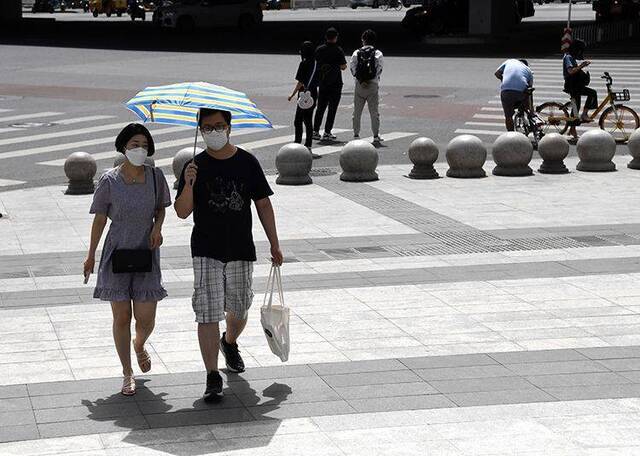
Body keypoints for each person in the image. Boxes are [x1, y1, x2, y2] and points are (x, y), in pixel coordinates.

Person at [174, 108, 283, 403]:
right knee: (207, 311)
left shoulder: (247, 162)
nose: (214, 132)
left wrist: (274, 243)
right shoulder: (193, 165)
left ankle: (229, 341)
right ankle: (212, 374)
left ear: (230, 128)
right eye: (207, 128)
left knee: (239, 307)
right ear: (200, 130)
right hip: (206, 249)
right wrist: (189, 183)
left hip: (240, 247)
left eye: (219, 126)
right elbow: (182, 212)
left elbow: (262, 204)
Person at [83, 123, 171, 396]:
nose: (140, 149)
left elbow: (161, 209)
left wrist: (157, 227)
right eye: (134, 144)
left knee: (146, 318)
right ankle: (127, 372)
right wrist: (90, 255)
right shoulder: (109, 180)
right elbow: (99, 219)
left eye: (144, 145)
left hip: (146, 253)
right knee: (122, 316)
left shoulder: (156, 177)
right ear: (123, 147)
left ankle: (140, 344)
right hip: (116, 253)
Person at [313, 27, 347, 142]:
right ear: (336, 37)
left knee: (320, 108)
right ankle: (327, 132)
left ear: (326, 37)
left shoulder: (319, 49)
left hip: (322, 82)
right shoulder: (338, 50)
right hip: (335, 84)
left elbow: (315, 64)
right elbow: (343, 66)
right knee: (332, 109)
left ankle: (315, 131)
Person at [349, 29, 384, 143]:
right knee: (374, 112)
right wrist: (371, 79)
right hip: (372, 85)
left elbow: (352, 67)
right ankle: (375, 136)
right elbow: (379, 69)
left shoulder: (356, 52)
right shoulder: (378, 53)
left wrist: (360, 79)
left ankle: (356, 135)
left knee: (357, 111)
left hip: (359, 85)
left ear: (363, 40)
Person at [288, 40, 320, 158]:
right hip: (313, 94)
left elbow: (300, 82)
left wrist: (292, 94)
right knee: (308, 120)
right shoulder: (317, 63)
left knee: (298, 120)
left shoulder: (304, 63)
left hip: (303, 94)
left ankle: (297, 143)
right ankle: (308, 145)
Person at [563, 39, 596, 141]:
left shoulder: (571, 57)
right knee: (575, 108)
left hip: (576, 85)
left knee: (592, 93)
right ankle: (573, 129)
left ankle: (584, 114)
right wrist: (582, 66)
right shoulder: (568, 57)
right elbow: (570, 71)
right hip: (572, 86)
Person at [494, 58, 533, 131]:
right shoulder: (528, 70)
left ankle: (511, 135)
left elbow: (497, 73)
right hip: (521, 92)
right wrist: (530, 108)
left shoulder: (509, 61)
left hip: (506, 90)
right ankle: (530, 117)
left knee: (508, 116)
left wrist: (503, 80)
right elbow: (530, 89)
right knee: (527, 96)